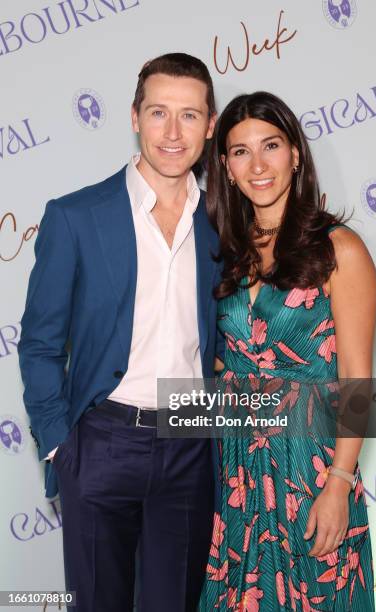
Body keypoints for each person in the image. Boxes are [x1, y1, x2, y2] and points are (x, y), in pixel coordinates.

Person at [18, 52, 222, 612]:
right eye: (159, 113)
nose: (172, 133)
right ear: (135, 117)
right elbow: (38, 343)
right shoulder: (76, 216)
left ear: (209, 125)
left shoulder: (225, 225)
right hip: (100, 441)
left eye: (189, 115)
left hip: (190, 440)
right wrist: (60, 444)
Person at [199, 92, 376, 610]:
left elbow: (358, 379)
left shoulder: (338, 248)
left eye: (271, 145)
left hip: (311, 469)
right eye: (239, 152)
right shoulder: (221, 252)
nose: (257, 165)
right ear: (226, 168)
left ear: (295, 154)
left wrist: (339, 485)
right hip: (233, 476)